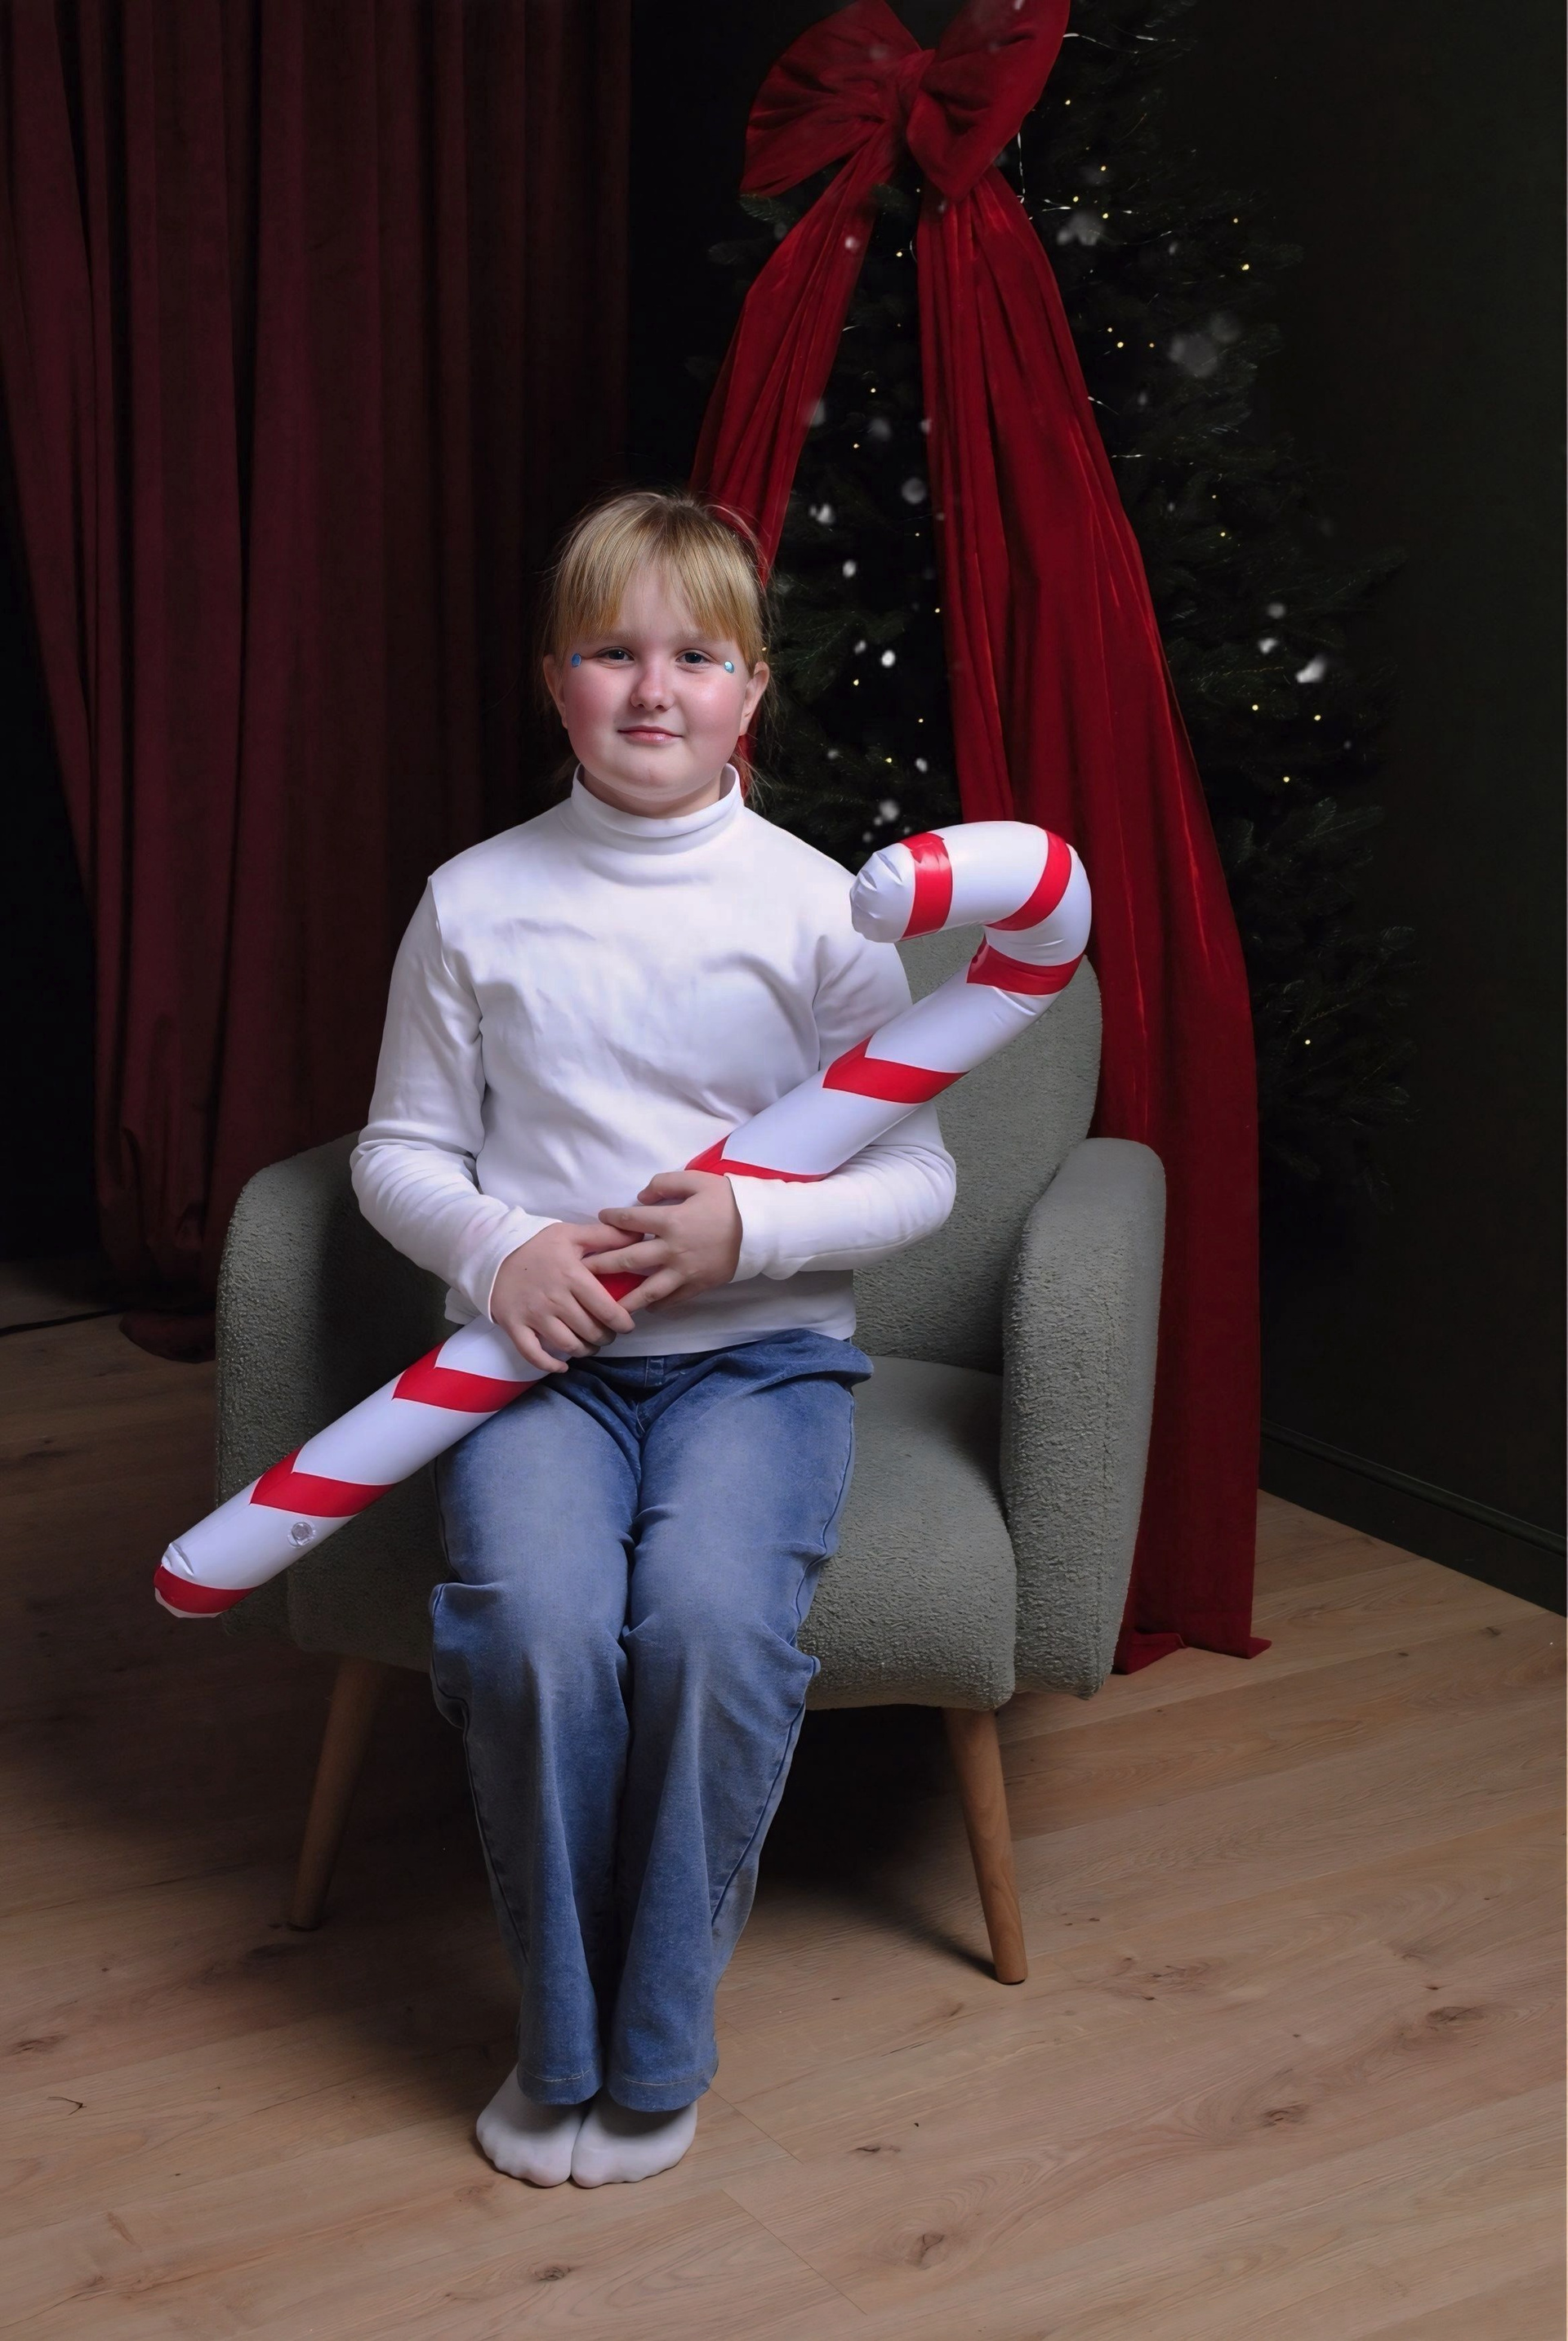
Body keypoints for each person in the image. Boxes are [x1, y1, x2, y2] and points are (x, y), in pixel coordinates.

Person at [351, 491, 956, 2187]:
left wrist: (747, 1229)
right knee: (537, 1631)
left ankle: (659, 2038)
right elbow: (400, 1150)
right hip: (529, 1369)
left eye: (695, 656)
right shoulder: (471, 902)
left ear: (751, 689)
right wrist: (501, 1247)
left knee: (705, 1627)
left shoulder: (827, 911)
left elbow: (919, 1172)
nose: (652, 688)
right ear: (554, 679)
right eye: (611, 651)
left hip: (761, 1363)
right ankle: (559, 2039)